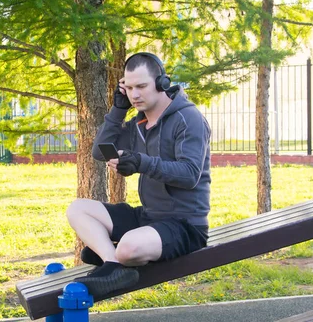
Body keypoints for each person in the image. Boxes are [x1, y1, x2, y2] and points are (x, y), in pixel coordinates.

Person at [66, 52, 211, 298]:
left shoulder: (189, 119)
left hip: (185, 225)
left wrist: (141, 163)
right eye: (129, 87)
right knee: (77, 209)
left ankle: (113, 254)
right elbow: (100, 151)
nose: (134, 95)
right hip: (149, 217)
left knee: (129, 246)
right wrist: (117, 111)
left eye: (141, 86)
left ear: (161, 83)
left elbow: (189, 174)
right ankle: (113, 264)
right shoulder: (139, 124)